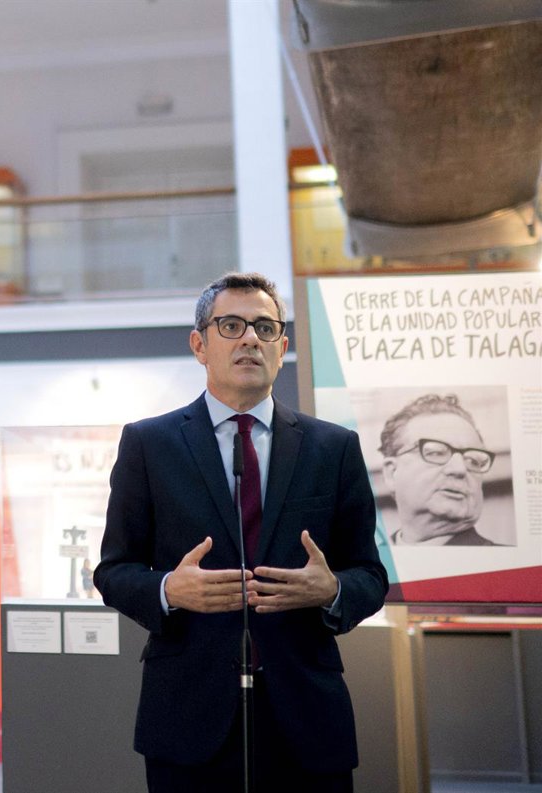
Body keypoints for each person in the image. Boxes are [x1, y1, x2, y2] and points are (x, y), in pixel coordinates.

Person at [94, 272, 387, 792]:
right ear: (199, 345)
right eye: (231, 325)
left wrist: (332, 590)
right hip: (189, 712)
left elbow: (369, 575)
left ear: (282, 348)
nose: (250, 338)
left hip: (305, 713)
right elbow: (114, 571)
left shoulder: (333, 447)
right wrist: (169, 589)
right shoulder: (148, 444)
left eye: (265, 328)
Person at [378, 393, 504, 546]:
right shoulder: (364, 558)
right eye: (436, 453)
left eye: (473, 460)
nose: (459, 469)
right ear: (392, 474)